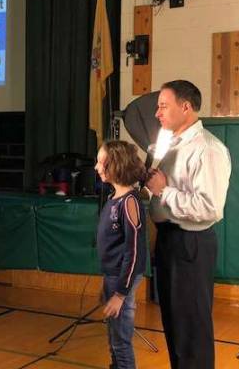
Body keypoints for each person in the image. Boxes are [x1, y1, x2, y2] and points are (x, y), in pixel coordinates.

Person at [146, 80, 231, 369]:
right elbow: (160, 190)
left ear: (186, 107)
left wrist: (163, 190)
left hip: (191, 244)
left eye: (163, 106)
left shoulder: (208, 149)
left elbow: (209, 207)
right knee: (175, 327)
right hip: (169, 240)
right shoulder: (169, 143)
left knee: (191, 330)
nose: (157, 113)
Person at [95, 140, 147, 369]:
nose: (97, 167)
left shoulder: (130, 202)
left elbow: (134, 251)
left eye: (100, 162)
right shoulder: (113, 198)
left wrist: (120, 294)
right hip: (113, 277)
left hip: (122, 280)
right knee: (114, 340)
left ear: (115, 165)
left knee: (121, 343)